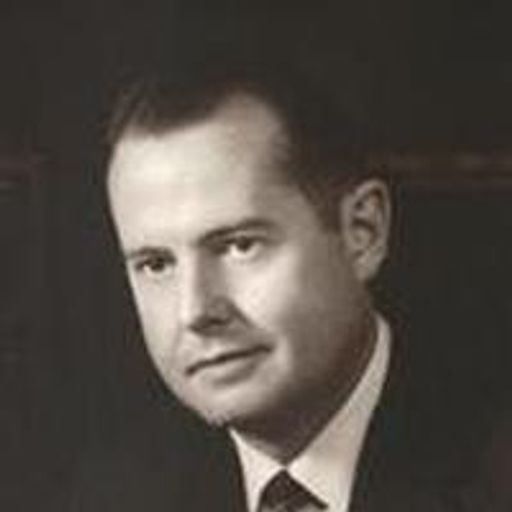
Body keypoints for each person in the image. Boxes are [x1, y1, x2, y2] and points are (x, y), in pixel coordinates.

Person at [71, 58, 464, 512]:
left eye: (240, 246)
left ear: (363, 233)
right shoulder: (112, 495)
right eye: (156, 264)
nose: (194, 311)